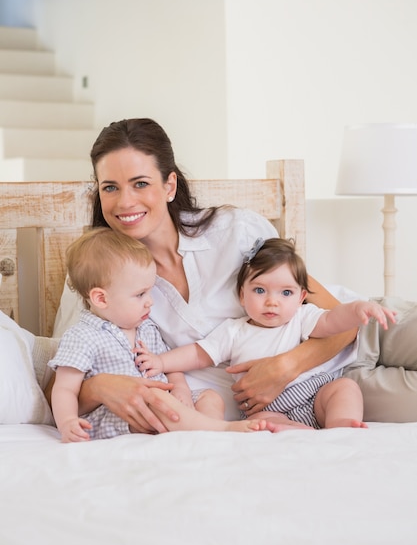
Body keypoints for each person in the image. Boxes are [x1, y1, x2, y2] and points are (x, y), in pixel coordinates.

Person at [51, 117, 417, 431]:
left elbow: (340, 316)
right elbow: (63, 375)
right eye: (109, 188)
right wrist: (100, 386)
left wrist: (283, 367)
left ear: (169, 186)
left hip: (363, 328)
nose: (125, 201)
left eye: (140, 183)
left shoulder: (234, 230)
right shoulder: (94, 277)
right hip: (323, 393)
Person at [137, 238, 396, 430]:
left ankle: (340, 427)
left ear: (301, 297)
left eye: (285, 293)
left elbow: (332, 320)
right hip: (267, 408)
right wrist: (161, 361)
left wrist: (357, 309)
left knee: (344, 388)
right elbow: (198, 354)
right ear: (242, 295)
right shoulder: (234, 330)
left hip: (314, 394)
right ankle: (299, 434)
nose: (272, 302)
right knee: (262, 425)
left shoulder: (301, 318)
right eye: (260, 291)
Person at [49, 227, 274, 442]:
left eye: (149, 291)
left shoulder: (146, 329)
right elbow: (65, 388)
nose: (150, 301)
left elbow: (169, 367)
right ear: (101, 298)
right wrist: (68, 421)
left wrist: (181, 390)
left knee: (209, 397)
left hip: (164, 402)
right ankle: (222, 429)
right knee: (157, 402)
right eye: (140, 294)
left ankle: (208, 434)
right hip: (121, 415)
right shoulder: (82, 336)